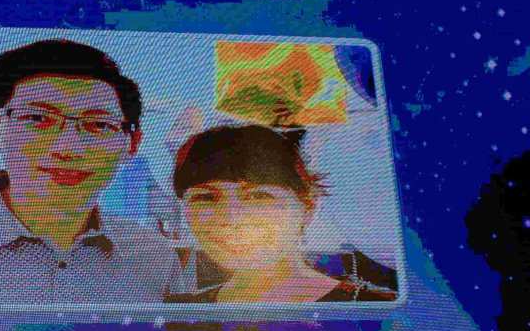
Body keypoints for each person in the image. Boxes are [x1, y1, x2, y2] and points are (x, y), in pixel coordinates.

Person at [0, 38, 177, 305]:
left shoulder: (154, 256)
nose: (68, 149)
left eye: (100, 124)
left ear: (132, 144)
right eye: (38, 118)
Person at [167, 123, 398, 303]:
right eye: (206, 198)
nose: (231, 219)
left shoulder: (380, 311)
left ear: (307, 206)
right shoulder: (174, 315)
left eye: (258, 196)